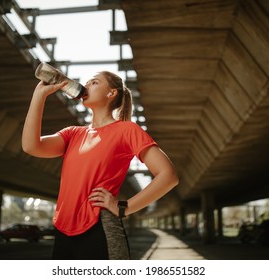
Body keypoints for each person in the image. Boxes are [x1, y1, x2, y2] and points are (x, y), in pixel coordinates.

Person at [22, 70, 179, 259]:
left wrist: (124, 207)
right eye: (87, 82)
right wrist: (39, 96)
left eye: (94, 82)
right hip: (63, 229)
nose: (86, 85)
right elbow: (31, 146)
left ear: (111, 93)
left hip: (99, 227)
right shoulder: (73, 134)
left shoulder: (126, 130)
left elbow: (168, 175)